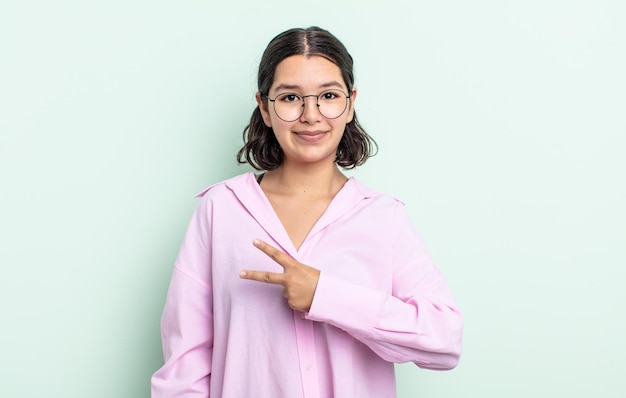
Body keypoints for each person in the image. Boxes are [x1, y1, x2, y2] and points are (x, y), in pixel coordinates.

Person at [151, 26, 463, 398]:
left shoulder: (384, 217)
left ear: (350, 103)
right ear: (265, 108)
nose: (310, 115)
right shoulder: (221, 210)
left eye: (328, 95)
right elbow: (184, 369)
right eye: (290, 98)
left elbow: (443, 339)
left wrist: (326, 295)